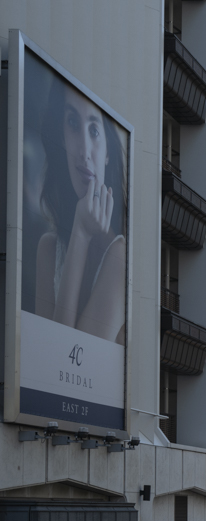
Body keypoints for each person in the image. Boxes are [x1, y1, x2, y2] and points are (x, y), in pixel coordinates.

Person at [32, 76, 129, 344]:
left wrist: (82, 233)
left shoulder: (121, 257)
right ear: (61, 136)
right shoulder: (48, 249)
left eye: (94, 131)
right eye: (73, 124)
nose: (84, 151)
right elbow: (46, 366)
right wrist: (79, 233)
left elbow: (65, 359)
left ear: (108, 152)